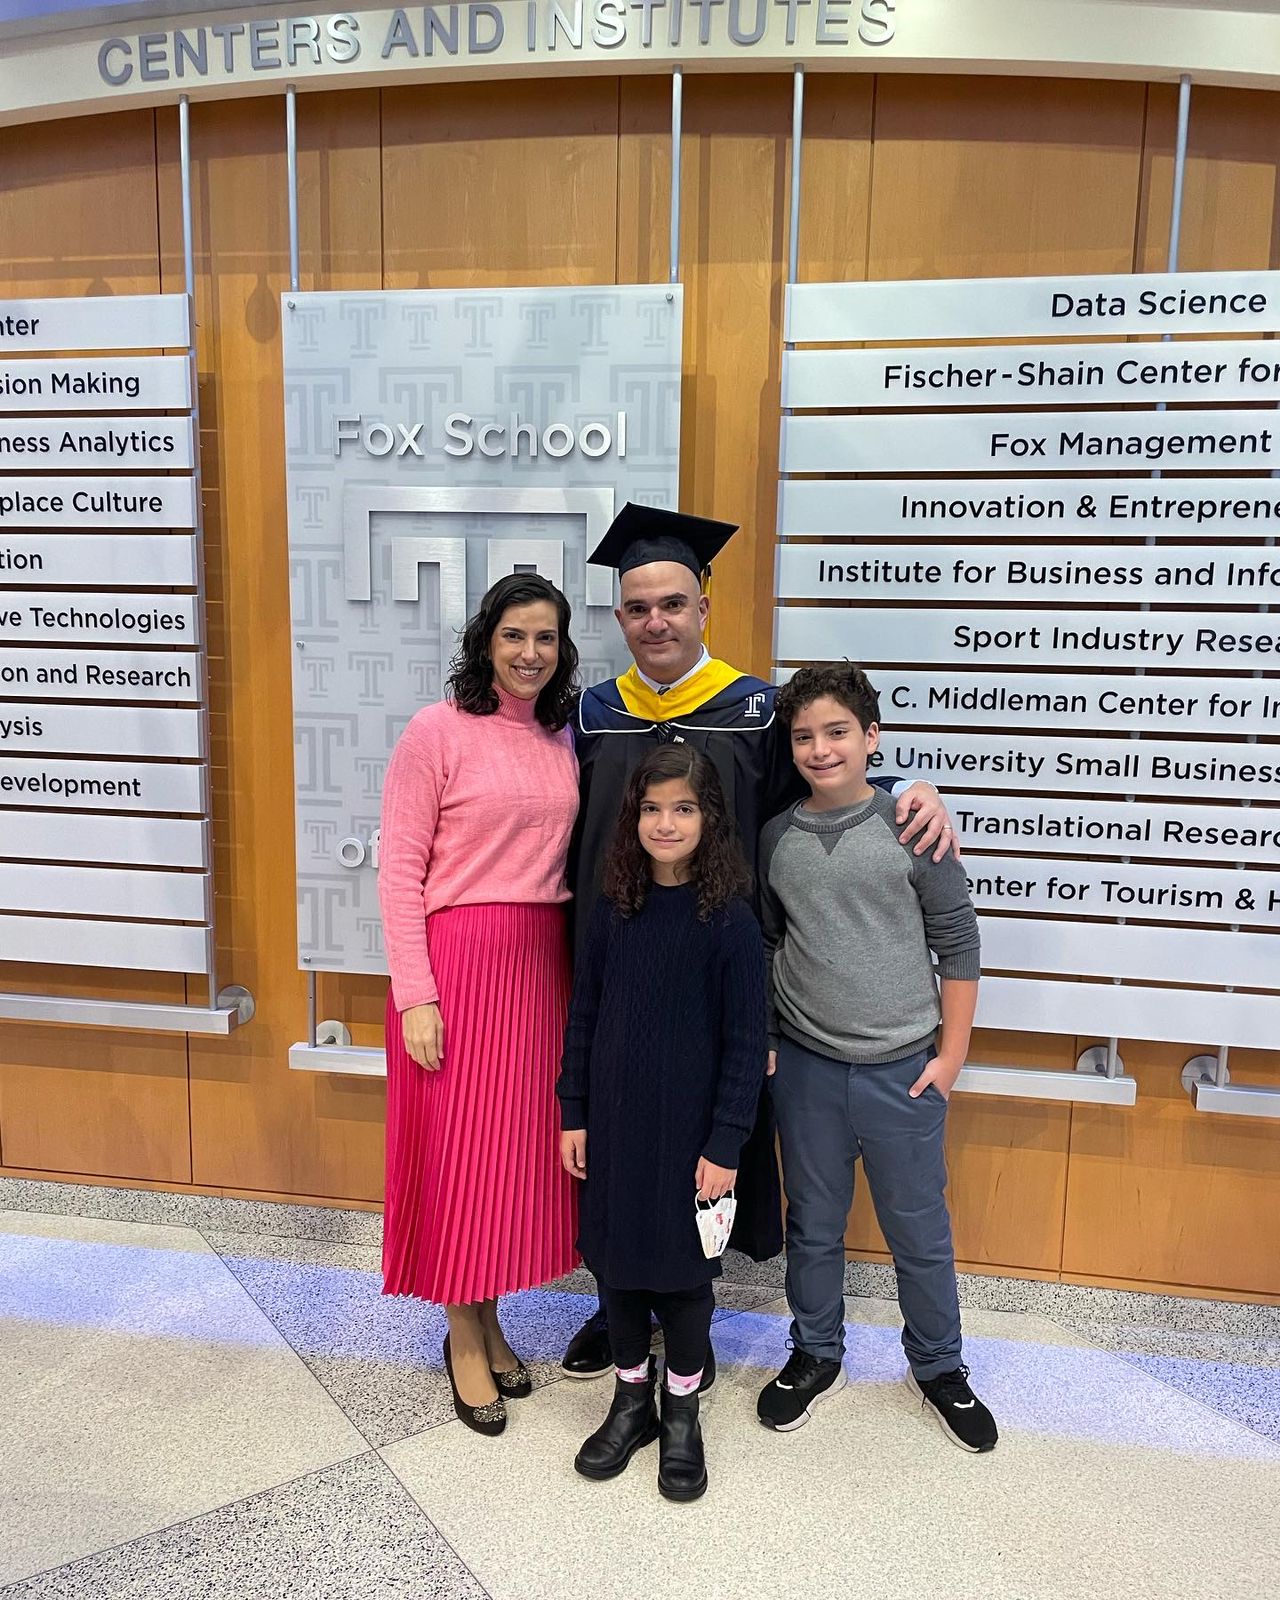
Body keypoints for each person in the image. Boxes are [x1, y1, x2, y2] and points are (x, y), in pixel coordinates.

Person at [560, 502, 959, 1381]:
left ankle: (684, 1305)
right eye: (637, 607)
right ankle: (617, 1305)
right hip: (615, 966)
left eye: (671, 602)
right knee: (619, 1144)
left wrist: (905, 787)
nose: (655, 621)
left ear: (703, 604)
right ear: (620, 616)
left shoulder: (756, 710)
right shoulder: (590, 715)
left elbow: (830, 783)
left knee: (705, 1139)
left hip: (718, 978)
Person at [756, 663, 998, 1452]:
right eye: (803, 737)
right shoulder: (776, 837)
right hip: (807, 1066)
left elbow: (957, 940)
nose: (821, 749)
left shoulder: (912, 823)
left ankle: (939, 1368)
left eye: (837, 733)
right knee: (815, 1225)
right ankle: (814, 1354)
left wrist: (951, 1056)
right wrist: (766, 1042)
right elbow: (766, 943)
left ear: (871, 739)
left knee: (918, 1230)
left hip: (904, 1068)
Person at [378, 572, 581, 1437]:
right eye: (513, 636)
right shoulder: (436, 730)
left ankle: (491, 1317)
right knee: (457, 1157)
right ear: (485, 641)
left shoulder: (566, 736)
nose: (530, 653)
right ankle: (463, 1334)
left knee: (506, 1159)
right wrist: (415, 994)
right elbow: (398, 871)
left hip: (541, 970)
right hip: (456, 972)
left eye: (545, 638)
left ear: (562, 648)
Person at [557, 745, 767, 1501]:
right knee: (617, 1271)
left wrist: (725, 1142)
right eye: (651, 809)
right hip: (613, 1129)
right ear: (632, 818)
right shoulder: (616, 912)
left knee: (682, 1283)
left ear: (709, 819)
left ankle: (681, 1409)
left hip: (690, 1142)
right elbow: (584, 1018)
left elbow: (747, 1046)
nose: (666, 823)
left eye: (683, 809)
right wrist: (572, 1111)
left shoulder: (731, 925)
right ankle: (630, 1401)